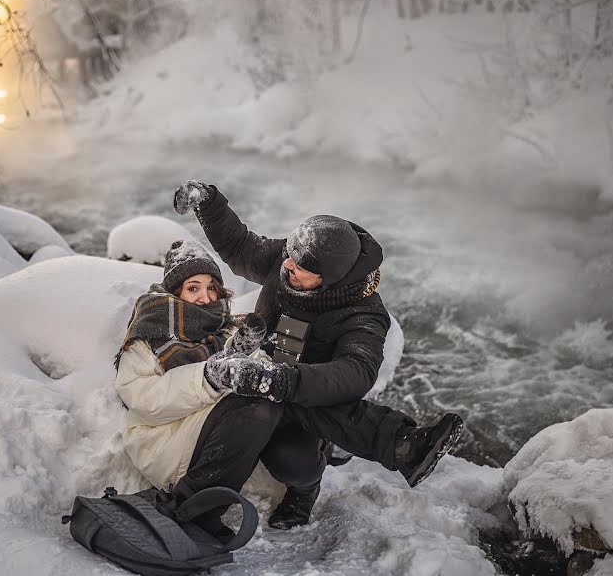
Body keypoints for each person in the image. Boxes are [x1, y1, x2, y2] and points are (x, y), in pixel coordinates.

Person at [165, 180, 464, 530]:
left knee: (293, 464)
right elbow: (240, 246)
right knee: (243, 420)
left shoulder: (362, 313)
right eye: (287, 259)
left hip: (304, 397)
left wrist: (281, 381)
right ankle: (403, 444)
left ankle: (306, 489)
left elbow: (356, 372)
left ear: (326, 279)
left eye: (297, 269)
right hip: (261, 372)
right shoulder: (292, 258)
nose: (286, 266)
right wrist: (209, 203)